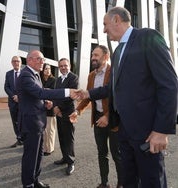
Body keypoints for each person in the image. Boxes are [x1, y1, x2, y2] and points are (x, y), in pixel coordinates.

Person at [76, 7, 177, 187]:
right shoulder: (117, 53)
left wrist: (161, 131)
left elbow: (169, 85)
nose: (104, 30)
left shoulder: (147, 37)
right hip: (124, 131)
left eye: (105, 24)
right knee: (129, 181)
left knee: (152, 181)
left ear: (116, 20)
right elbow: (113, 88)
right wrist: (89, 93)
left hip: (147, 134)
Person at [16, 50, 78, 188]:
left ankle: (35, 180)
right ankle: (28, 184)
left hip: (38, 122)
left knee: (38, 155)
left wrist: (45, 103)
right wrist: (68, 91)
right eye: (40, 59)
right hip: (30, 123)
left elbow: (36, 96)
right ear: (30, 60)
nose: (42, 62)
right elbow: (40, 92)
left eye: (43, 59)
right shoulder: (26, 75)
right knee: (30, 156)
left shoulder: (35, 75)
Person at [69, 45, 122, 188]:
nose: (93, 58)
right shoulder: (91, 75)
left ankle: (121, 184)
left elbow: (119, 98)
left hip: (114, 118)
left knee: (117, 155)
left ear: (106, 56)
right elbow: (88, 96)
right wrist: (78, 111)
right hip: (98, 118)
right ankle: (104, 183)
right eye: (92, 55)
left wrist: (107, 116)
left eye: (96, 55)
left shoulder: (114, 72)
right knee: (102, 153)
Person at [53, 58, 79, 176]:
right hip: (58, 112)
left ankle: (71, 162)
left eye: (65, 65)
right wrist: (55, 106)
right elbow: (55, 94)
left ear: (69, 66)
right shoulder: (58, 79)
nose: (63, 67)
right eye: (61, 66)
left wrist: (59, 107)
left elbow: (71, 96)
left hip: (68, 112)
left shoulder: (73, 78)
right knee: (61, 136)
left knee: (69, 137)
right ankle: (64, 157)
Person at [4, 56, 23, 148]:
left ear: (21, 62)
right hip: (12, 102)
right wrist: (13, 96)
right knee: (15, 121)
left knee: (24, 121)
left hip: (23, 102)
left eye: (18, 61)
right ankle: (19, 139)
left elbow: (28, 87)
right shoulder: (8, 74)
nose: (16, 63)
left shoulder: (26, 73)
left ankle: (25, 139)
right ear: (12, 63)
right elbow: (6, 87)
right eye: (14, 61)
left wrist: (20, 96)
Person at [40, 63, 57, 156]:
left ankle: (49, 149)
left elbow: (55, 93)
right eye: (46, 68)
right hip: (41, 107)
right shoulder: (40, 79)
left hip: (50, 107)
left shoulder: (54, 80)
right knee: (43, 130)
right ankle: (43, 147)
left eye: (49, 69)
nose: (48, 70)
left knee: (50, 129)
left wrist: (49, 100)